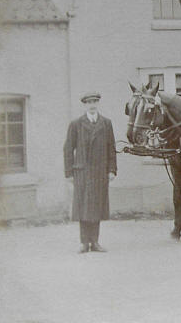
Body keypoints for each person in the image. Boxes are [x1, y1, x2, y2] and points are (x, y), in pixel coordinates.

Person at [64, 92, 117, 253]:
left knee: (97, 206)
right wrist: (69, 173)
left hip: (100, 171)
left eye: (95, 101)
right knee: (83, 207)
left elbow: (111, 148)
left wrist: (112, 169)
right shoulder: (76, 124)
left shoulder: (106, 123)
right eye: (89, 102)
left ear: (98, 103)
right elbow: (68, 149)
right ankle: (84, 243)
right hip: (82, 171)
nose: (92, 105)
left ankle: (95, 242)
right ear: (85, 105)